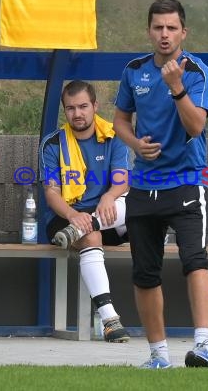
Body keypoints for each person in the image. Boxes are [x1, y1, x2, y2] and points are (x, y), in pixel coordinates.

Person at [113, 0, 208, 368]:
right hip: (142, 185)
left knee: (195, 260)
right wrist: (134, 143)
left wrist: (176, 87)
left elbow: (196, 126)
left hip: (186, 182)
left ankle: (203, 345)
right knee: (144, 272)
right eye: (158, 27)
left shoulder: (197, 72)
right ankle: (158, 355)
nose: (165, 34)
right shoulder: (134, 70)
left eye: (172, 28)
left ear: (183, 32)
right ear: (149, 31)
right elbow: (120, 120)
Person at [39, 80, 130, 343]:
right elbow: (52, 193)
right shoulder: (53, 143)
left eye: (83, 106)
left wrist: (109, 196)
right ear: (64, 112)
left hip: (108, 213)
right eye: (70, 108)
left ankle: (84, 224)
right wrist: (72, 217)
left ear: (95, 106)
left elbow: (121, 180)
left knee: (142, 207)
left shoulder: (114, 135)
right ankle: (110, 319)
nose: (77, 114)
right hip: (65, 219)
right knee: (91, 235)